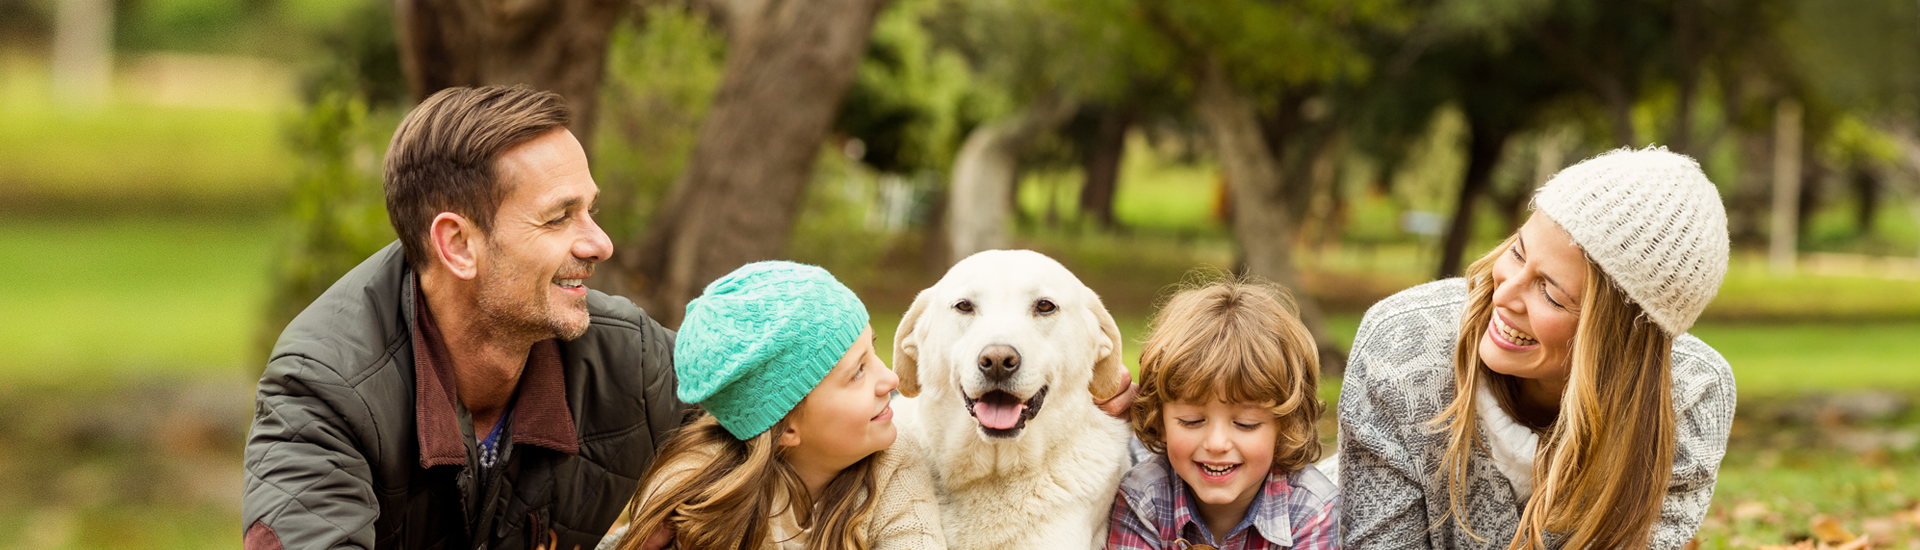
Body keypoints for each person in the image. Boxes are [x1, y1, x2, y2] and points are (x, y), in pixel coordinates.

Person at [241, 85, 685, 550]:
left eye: (589, 210)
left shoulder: (628, 353)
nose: (601, 243)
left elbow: (762, 417)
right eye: (558, 218)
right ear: (457, 245)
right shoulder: (324, 391)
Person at [1339, 147, 1737, 549]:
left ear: (1617, 341)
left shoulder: (1691, 395)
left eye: (1549, 292)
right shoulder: (1400, 344)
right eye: (1517, 252)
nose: (1503, 293)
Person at [610, 261, 944, 550]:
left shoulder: (895, 464)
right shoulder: (699, 494)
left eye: (872, 350)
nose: (890, 379)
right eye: (857, 372)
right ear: (785, 427)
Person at [1107, 278, 1339, 550]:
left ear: (1285, 427)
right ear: (1159, 421)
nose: (1216, 444)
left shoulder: (1310, 509)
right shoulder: (1143, 497)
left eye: (1246, 424)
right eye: (1191, 421)